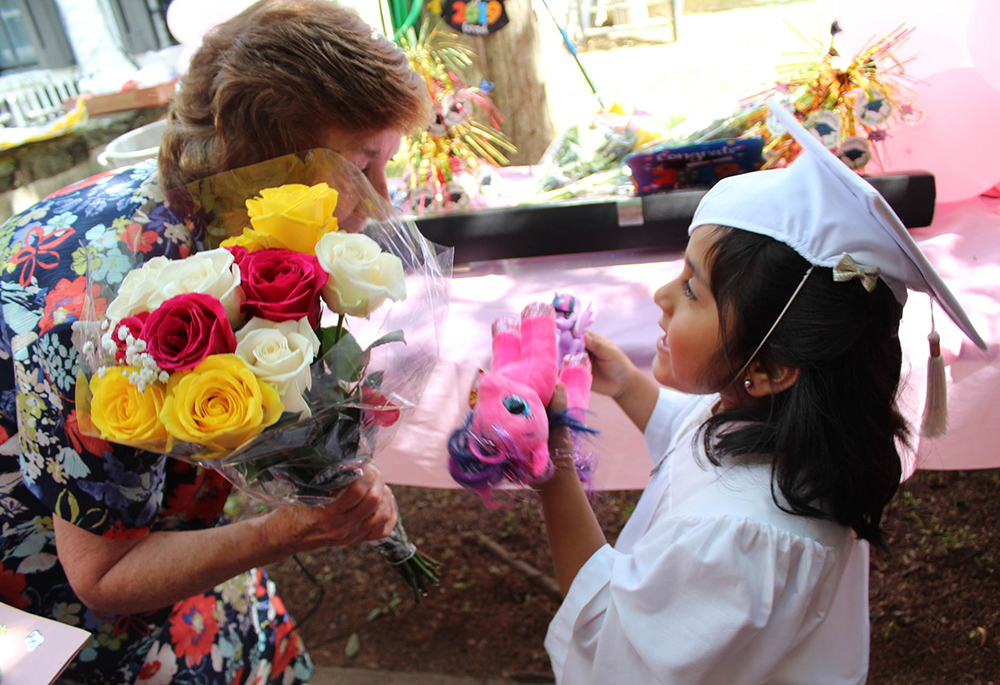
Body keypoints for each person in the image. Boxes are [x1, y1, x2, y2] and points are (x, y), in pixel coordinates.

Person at [0, 1, 431, 683]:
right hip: (57, 595)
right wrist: (285, 529)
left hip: (172, 532)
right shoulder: (94, 313)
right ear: (270, 168)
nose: (385, 199)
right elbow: (101, 573)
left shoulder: (225, 213)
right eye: (362, 165)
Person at [536, 100, 988, 684]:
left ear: (772, 367)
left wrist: (553, 468)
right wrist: (625, 382)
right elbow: (693, 439)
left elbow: (612, 645)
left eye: (694, 290)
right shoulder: (777, 426)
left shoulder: (739, 538)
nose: (661, 296)